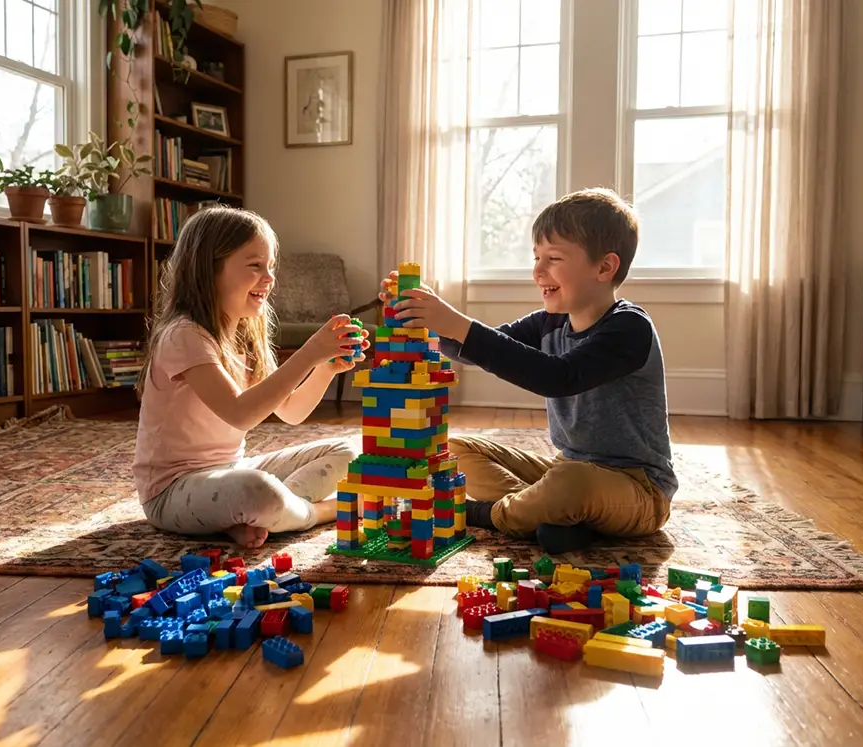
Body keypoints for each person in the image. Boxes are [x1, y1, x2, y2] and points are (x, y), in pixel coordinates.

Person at [380, 188, 677, 554]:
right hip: (566, 468)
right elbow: (482, 347)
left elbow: (557, 376)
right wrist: (424, 320)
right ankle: (545, 514)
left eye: (553, 258)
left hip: (639, 489)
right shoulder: (550, 322)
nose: (538, 271)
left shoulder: (629, 328)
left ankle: (491, 514)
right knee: (452, 450)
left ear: (605, 267)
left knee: (571, 483)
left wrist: (455, 321)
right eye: (536, 257)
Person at [133, 206, 369, 549]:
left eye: (271, 266)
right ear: (209, 269)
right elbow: (241, 412)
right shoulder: (183, 336)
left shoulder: (244, 332)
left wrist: (324, 368)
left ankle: (252, 517)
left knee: (352, 451)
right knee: (256, 491)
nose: (270, 278)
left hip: (229, 471)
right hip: (171, 490)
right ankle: (317, 512)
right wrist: (309, 351)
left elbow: (291, 411)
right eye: (255, 266)